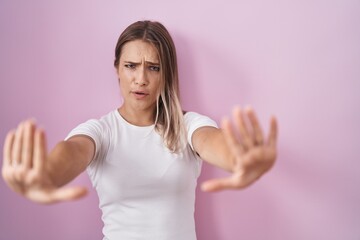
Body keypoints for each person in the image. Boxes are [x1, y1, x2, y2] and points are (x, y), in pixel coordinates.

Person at [2, 20, 278, 240]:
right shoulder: (100, 131)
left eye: (154, 68)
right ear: (117, 69)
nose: (141, 79)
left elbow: (213, 142)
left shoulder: (189, 126)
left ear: (166, 73)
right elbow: (71, 151)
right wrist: (45, 176)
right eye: (131, 66)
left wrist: (239, 159)